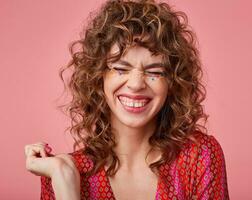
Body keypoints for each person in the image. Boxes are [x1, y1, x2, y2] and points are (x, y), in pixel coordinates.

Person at [24, 0, 230, 199]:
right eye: (121, 69)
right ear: (98, 76)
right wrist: (66, 185)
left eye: (155, 72)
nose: (136, 83)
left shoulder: (198, 157)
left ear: (172, 82)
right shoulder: (63, 173)